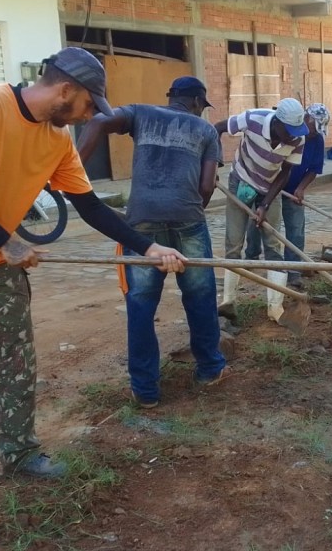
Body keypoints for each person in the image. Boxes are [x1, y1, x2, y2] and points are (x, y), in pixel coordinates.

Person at [0, 47, 186, 502]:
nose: (90, 116)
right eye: (89, 105)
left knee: (15, 358)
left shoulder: (57, 140)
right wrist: (5, 240)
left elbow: (88, 204)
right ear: (66, 89)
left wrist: (146, 246)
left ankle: (19, 452)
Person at [75, 76, 226, 409]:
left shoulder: (140, 113)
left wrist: (68, 168)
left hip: (141, 227)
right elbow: (206, 187)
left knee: (141, 307)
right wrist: (189, 211)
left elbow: (100, 120)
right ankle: (210, 370)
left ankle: (146, 391)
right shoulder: (206, 132)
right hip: (188, 220)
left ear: (171, 97)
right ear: (199, 102)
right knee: (200, 299)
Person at [214, 98, 309, 322]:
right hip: (241, 181)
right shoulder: (252, 118)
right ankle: (228, 302)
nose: (294, 136)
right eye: (290, 131)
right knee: (234, 242)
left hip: (270, 187)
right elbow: (217, 128)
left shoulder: (298, 138)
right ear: (277, 123)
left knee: (273, 243)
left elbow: (285, 172)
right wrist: (213, 162)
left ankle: (275, 309)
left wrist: (265, 204)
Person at [244, 103, 330, 288]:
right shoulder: (288, 132)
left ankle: (293, 271)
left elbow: (314, 169)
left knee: (296, 229)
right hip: (270, 187)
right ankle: (250, 258)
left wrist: (301, 188)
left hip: (292, 191)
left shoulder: (317, 140)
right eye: (315, 127)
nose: (315, 132)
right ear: (306, 119)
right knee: (259, 222)